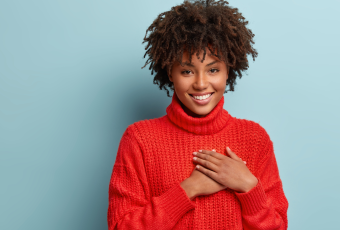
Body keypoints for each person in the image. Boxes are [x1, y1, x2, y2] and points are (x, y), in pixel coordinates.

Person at [107, 0, 289, 229]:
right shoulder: (139, 139)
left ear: (228, 71)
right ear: (170, 72)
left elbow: (278, 226)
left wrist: (248, 186)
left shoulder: (255, 138)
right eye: (187, 71)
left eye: (213, 70)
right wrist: (189, 189)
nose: (201, 83)